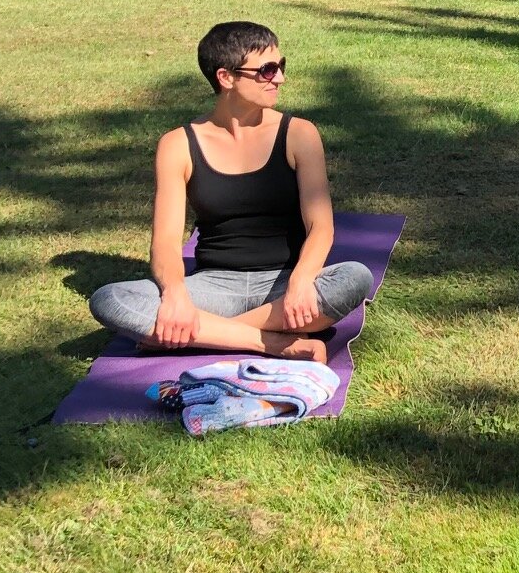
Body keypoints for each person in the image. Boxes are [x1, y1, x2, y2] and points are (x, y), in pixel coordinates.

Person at [88, 22, 373, 361]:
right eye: (267, 70)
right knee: (110, 299)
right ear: (226, 77)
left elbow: (321, 227)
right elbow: (165, 242)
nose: (279, 78)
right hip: (215, 286)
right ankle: (273, 343)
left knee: (354, 277)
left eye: (281, 66)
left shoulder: (299, 133)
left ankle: (200, 336)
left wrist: (301, 281)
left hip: (284, 284)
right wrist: (176, 293)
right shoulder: (177, 145)